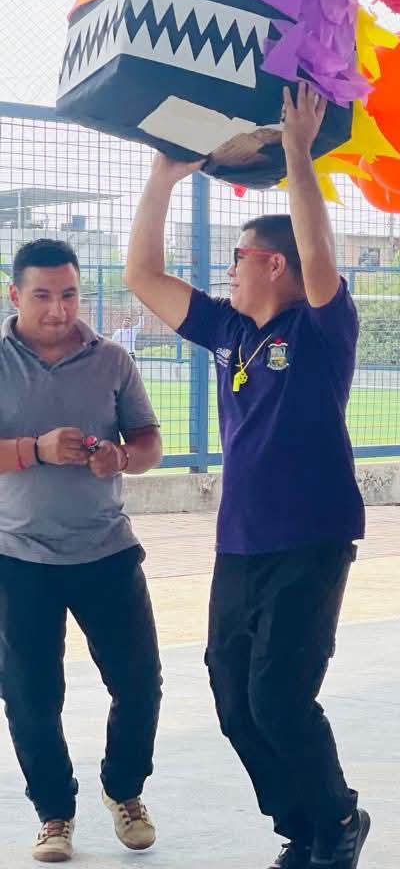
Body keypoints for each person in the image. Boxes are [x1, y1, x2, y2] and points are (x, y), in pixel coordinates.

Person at [124, 83, 369, 869]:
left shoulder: (321, 327)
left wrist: (298, 152)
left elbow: (318, 254)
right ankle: (303, 826)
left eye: (237, 258)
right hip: (241, 543)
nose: (226, 270)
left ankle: (337, 821)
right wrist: (163, 177)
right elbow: (142, 275)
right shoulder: (228, 330)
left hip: (311, 539)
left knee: (278, 697)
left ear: (272, 263)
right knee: (233, 698)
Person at [0, 239, 164, 863]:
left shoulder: (112, 360)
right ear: (14, 295)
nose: (58, 309)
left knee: (140, 682)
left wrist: (120, 457)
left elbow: (148, 443)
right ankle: (54, 813)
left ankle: (124, 791)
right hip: (18, 556)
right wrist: (35, 450)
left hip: (107, 550)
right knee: (29, 695)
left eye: (69, 294)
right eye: (42, 295)